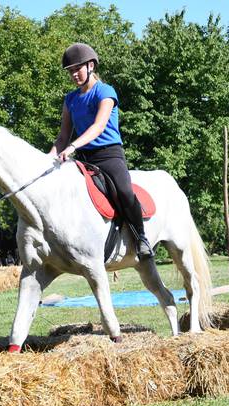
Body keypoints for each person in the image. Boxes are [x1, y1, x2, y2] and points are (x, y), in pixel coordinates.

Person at [49, 43, 154, 258]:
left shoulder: (105, 91)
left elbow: (98, 126)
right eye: (70, 72)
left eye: (77, 70)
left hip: (109, 155)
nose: (74, 75)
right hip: (84, 160)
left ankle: (141, 237)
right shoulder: (70, 100)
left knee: (124, 192)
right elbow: (62, 137)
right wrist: (47, 160)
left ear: (90, 66)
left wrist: (73, 146)